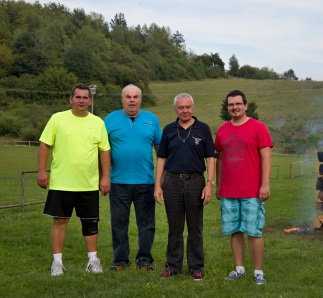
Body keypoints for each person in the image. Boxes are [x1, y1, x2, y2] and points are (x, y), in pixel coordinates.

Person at [37, 83, 111, 276]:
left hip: (88, 183)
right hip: (62, 182)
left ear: (90, 100)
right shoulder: (57, 119)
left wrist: (105, 177)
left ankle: (93, 261)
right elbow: (45, 145)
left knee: (90, 222)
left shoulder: (98, 122)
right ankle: (57, 263)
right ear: (71, 99)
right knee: (60, 221)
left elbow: (104, 150)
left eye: (85, 97)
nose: (81, 100)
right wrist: (42, 172)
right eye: (78, 97)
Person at [154, 93, 216, 281]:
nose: (185, 110)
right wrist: (158, 185)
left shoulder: (203, 129)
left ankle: (196, 266)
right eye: (181, 107)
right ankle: (173, 265)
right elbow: (162, 158)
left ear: (193, 107)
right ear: (175, 109)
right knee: (175, 227)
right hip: (172, 182)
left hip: (196, 181)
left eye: (188, 107)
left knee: (195, 227)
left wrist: (209, 183)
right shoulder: (169, 129)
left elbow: (211, 158)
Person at [215, 89, 273, 285]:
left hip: (252, 190)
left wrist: (265, 184)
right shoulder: (222, 130)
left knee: (254, 231)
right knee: (235, 231)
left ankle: (258, 272)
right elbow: (220, 159)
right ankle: (239, 269)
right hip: (229, 190)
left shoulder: (259, 127)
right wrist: (219, 184)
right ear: (227, 107)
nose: (234, 107)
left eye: (238, 104)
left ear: (246, 105)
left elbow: (266, 157)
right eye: (231, 104)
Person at [104, 84, 162, 271]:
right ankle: (120, 260)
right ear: (122, 99)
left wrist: (161, 179)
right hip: (118, 181)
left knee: (146, 224)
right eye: (128, 97)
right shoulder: (110, 120)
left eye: (135, 97)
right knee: (119, 223)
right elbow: (102, 151)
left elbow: (161, 151)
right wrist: (103, 176)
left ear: (140, 99)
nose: (132, 100)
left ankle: (144, 259)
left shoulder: (151, 119)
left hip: (145, 181)